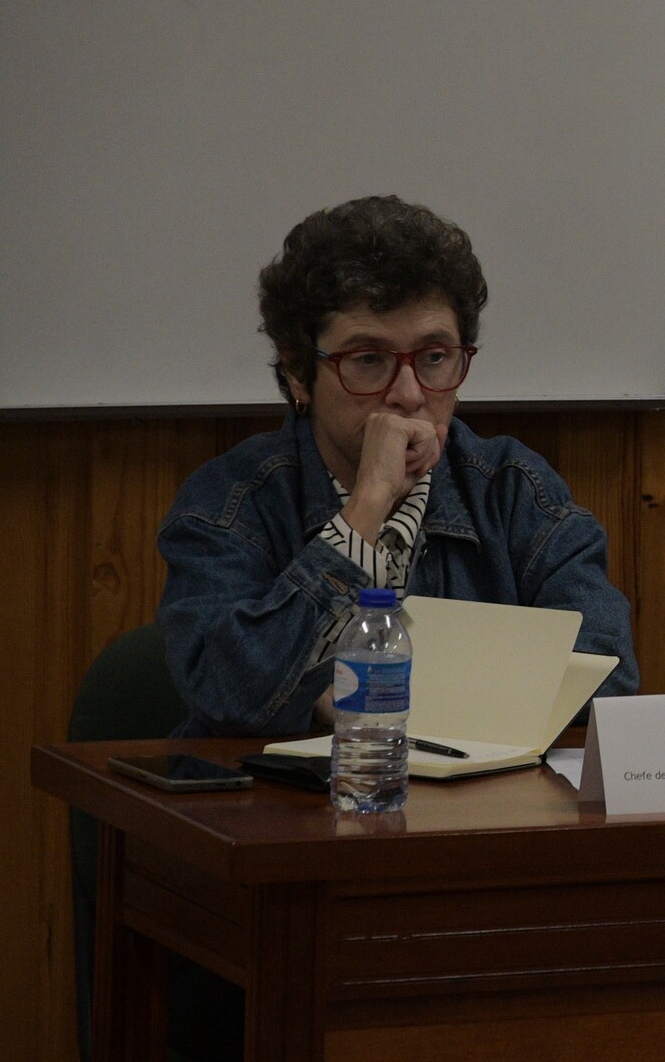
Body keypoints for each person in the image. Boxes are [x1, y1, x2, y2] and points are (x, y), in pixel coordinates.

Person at [158, 196, 638, 736]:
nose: (409, 394)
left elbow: (606, 674)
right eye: (368, 360)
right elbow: (227, 694)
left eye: (434, 357)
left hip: (477, 788)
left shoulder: (512, 490)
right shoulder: (229, 502)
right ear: (297, 373)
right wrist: (365, 511)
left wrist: (360, 694)